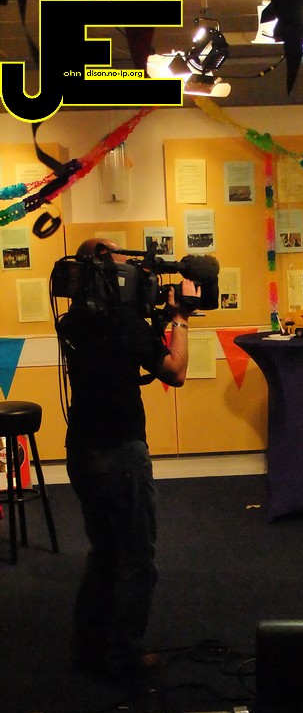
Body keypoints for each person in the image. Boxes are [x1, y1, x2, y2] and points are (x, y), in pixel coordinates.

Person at [56, 238, 200, 681]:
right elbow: (175, 371)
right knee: (137, 559)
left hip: (81, 450)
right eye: (122, 266)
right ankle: (123, 655)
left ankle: (88, 649)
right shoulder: (123, 323)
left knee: (104, 552)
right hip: (120, 453)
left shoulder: (73, 321)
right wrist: (179, 320)